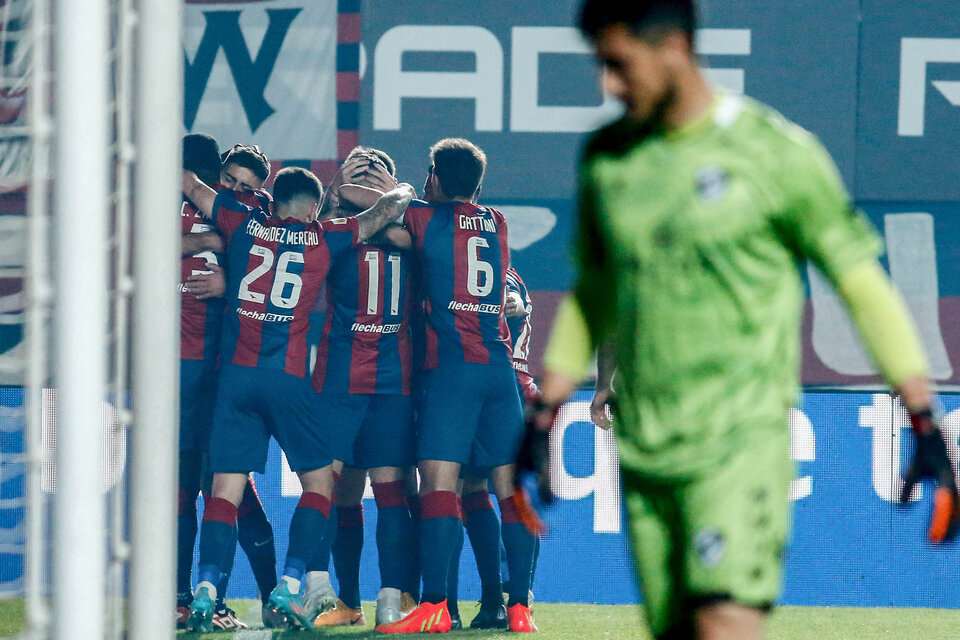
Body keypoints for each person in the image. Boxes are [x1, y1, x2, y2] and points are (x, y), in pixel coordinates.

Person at [527, 2, 960, 640]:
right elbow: (596, 291)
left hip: (738, 444)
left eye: (619, 65)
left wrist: (921, 411)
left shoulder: (774, 153)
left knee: (725, 624)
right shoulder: (609, 160)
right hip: (645, 452)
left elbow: (861, 283)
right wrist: (549, 405)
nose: (608, 85)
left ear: (674, 46)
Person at [180, 165, 415, 632]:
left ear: (271, 199)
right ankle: (289, 586)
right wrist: (402, 188)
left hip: (236, 381)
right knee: (320, 485)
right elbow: (384, 211)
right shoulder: (326, 236)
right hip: (288, 380)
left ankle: (206, 592)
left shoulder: (242, 222)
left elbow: (190, 183)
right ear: (311, 207)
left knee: (224, 492)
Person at [375, 138, 537, 634]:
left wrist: (396, 192)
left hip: (452, 369)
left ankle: (436, 605)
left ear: (436, 180)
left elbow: (388, 225)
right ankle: (519, 607)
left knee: (438, 483)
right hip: (499, 369)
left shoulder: (424, 218)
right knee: (507, 489)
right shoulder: (497, 223)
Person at [303, 147, 420, 628]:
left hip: (340, 379)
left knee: (334, 490)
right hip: (392, 380)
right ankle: (382, 604)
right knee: (383, 491)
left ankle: (343, 599)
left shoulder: (333, 232)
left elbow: (312, 231)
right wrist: (391, 191)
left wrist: (336, 192)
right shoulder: (413, 230)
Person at [177, 136, 281, 629]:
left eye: (247, 186)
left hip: (231, 370)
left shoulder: (260, 215)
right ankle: (189, 598)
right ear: (215, 176)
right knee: (185, 486)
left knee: (230, 488)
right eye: (230, 181)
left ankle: (263, 596)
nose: (237, 191)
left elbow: (285, 265)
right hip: (181, 368)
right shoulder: (182, 204)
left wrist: (230, 280)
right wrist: (210, 242)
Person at [456, 266, 540, 630]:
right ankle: (504, 600)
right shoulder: (501, 269)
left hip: (503, 392)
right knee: (481, 492)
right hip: (516, 392)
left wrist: (514, 304)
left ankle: (511, 597)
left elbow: (512, 301)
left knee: (487, 491)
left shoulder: (493, 272)